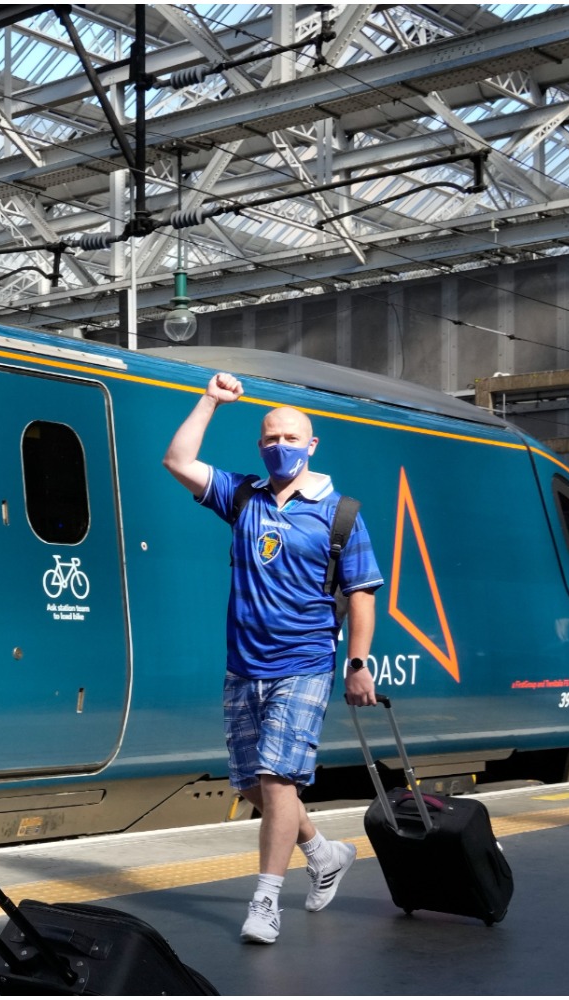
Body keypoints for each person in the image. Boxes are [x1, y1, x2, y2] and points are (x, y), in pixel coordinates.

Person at [163, 372, 383, 945]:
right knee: (251, 785)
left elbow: (361, 594)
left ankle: (265, 900)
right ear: (259, 445)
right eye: (270, 439)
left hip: (305, 661)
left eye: (290, 438)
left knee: (276, 778)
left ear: (312, 445)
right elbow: (178, 460)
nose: (280, 446)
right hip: (243, 664)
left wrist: (358, 662)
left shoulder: (340, 513)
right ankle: (323, 853)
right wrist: (210, 400)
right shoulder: (243, 498)